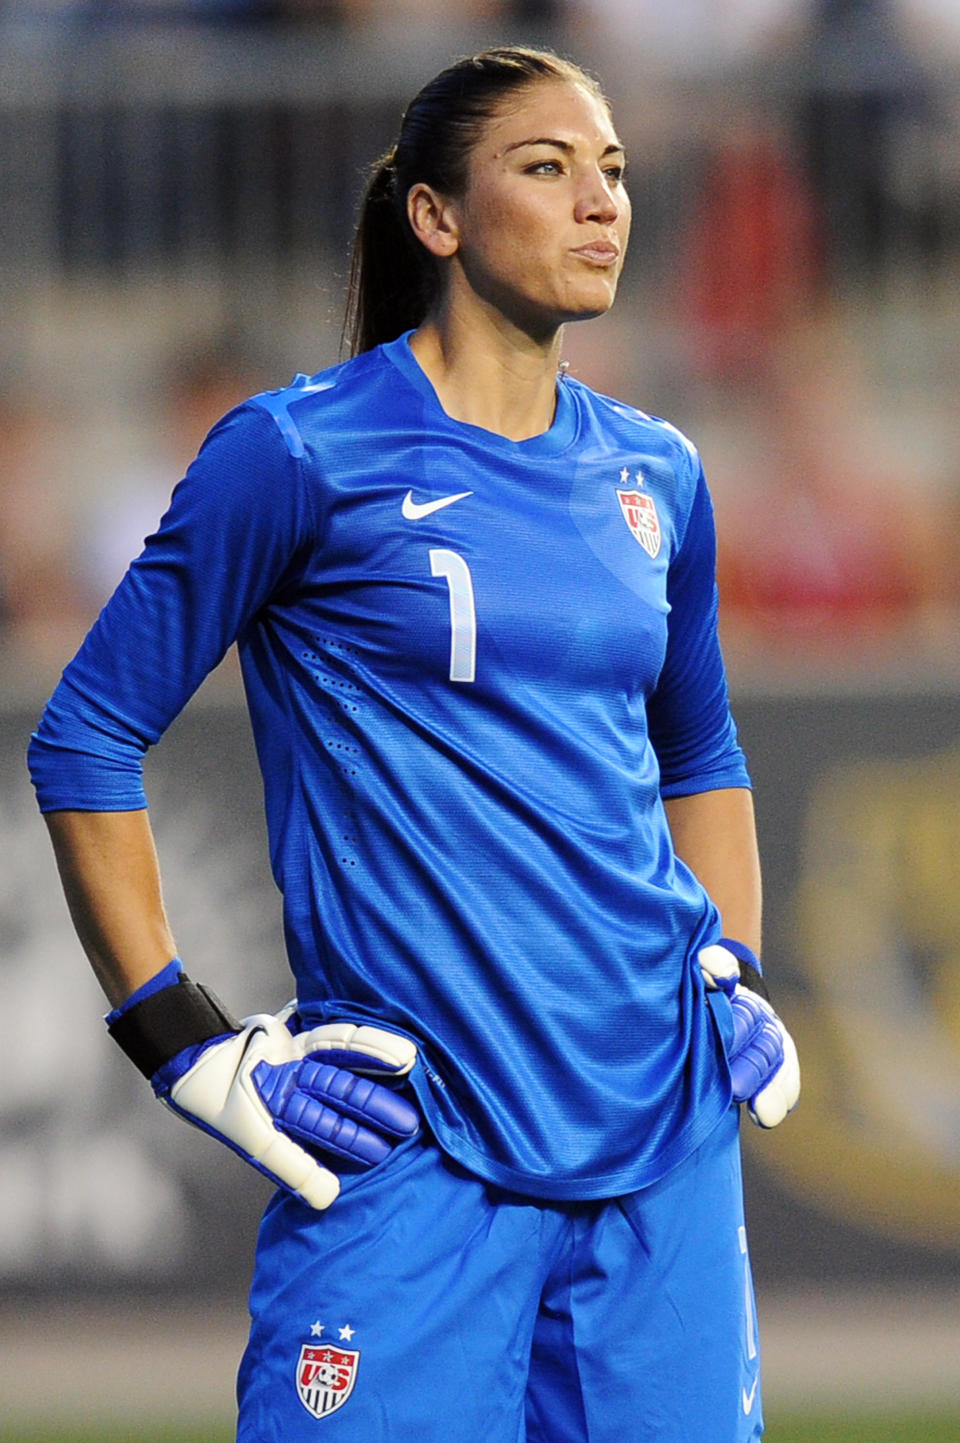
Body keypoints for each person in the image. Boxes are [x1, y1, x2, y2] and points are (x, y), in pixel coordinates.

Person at [28, 45, 799, 1443]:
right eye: (548, 167)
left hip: (662, 1146)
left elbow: (702, 752)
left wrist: (731, 967)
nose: (600, 203)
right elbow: (85, 738)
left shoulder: (660, 475)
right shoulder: (298, 454)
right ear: (436, 217)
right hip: (409, 1150)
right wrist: (184, 1043)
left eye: (613, 172)